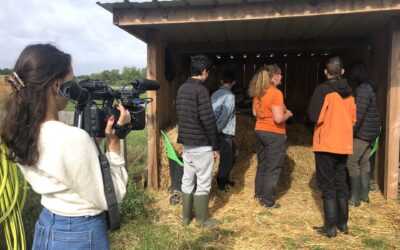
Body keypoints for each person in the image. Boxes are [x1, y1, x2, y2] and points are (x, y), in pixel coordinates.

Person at [0, 44, 130, 249]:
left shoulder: (21, 131)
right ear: (56, 86)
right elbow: (111, 196)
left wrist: (91, 145)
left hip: (46, 226)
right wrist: (113, 145)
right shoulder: (71, 139)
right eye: (71, 83)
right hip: (80, 232)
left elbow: (62, 167)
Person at [307, 56, 356, 238]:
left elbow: (314, 116)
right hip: (344, 145)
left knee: (327, 186)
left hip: (326, 144)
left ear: (325, 72)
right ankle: (343, 224)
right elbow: (353, 120)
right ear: (342, 72)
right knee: (341, 183)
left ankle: (330, 228)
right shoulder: (350, 93)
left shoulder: (323, 90)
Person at [176, 54, 220, 226]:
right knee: (203, 182)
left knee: (187, 180)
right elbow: (208, 120)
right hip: (202, 145)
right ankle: (202, 219)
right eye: (207, 72)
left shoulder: (181, 89)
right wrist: (215, 145)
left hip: (187, 145)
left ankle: (186, 218)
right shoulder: (201, 90)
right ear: (203, 72)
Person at [248, 65, 293, 209]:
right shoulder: (275, 93)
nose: (282, 77)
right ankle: (267, 201)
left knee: (263, 164)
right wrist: (289, 114)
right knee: (273, 168)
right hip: (274, 133)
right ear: (274, 76)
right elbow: (278, 118)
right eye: (280, 74)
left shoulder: (258, 92)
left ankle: (259, 193)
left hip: (259, 130)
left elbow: (255, 113)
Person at [347, 61, 381, 206]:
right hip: (371, 131)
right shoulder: (370, 87)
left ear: (359, 72)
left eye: (354, 72)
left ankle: (354, 198)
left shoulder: (362, 89)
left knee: (351, 161)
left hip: (363, 133)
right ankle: (364, 195)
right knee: (364, 161)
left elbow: (359, 115)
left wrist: (351, 132)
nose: (352, 75)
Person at [211, 70, 238, 191]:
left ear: (221, 81)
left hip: (215, 129)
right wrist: (216, 131)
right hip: (224, 131)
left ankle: (224, 178)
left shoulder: (215, 94)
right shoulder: (230, 97)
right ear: (234, 82)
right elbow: (225, 117)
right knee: (227, 157)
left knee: (234, 152)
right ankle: (221, 182)